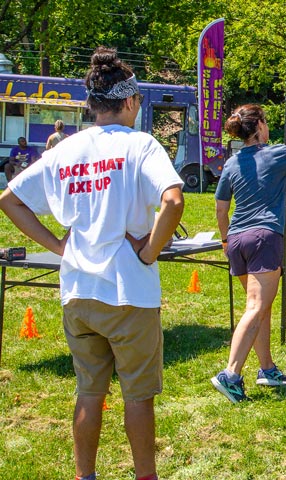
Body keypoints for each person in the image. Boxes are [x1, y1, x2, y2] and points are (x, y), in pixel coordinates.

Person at [0, 46, 184, 479]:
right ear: (130, 101)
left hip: (78, 292)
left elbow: (10, 199)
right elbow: (173, 201)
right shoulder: (141, 144)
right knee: (136, 397)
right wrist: (149, 252)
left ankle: (85, 476)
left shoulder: (66, 149)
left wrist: (58, 247)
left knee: (89, 393)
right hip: (129, 293)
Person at [211, 102, 286, 403]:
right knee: (256, 307)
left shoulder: (233, 163)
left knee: (261, 307)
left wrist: (225, 241)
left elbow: (221, 208)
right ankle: (230, 374)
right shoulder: (277, 153)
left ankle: (267, 369)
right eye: (266, 121)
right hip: (264, 237)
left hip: (236, 240)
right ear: (259, 125)